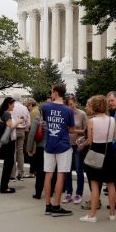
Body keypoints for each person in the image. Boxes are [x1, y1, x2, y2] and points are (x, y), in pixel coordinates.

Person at [42, 83, 79, 217]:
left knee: (48, 174)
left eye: (51, 91)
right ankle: (57, 206)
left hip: (49, 145)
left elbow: (47, 122)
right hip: (63, 145)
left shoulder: (45, 108)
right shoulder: (68, 110)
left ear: (56, 92)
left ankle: (48, 205)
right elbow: (71, 130)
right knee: (61, 175)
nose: (51, 93)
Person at [79, 95, 116, 223]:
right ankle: (112, 214)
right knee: (111, 184)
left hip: (96, 153)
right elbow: (114, 137)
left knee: (95, 184)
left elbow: (90, 141)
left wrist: (82, 144)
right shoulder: (112, 120)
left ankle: (92, 215)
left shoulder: (92, 121)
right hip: (110, 153)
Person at [63, 95, 87, 205]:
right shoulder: (65, 114)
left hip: (78, 145)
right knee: (67, 169)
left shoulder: (82, 114)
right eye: (68, 105)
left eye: (71, 104)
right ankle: (68, 192)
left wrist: (74, 131)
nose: (70, 107)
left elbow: (86, 131)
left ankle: (79, 193)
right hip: (67, 145)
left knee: (78, 169)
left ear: (75, 103)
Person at [0, 97, 25, 193]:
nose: (14, 106)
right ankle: (4, 187)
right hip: (9, 143)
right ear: (9, 104)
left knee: (8, 164)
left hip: (9, 142)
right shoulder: (7, 114)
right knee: (8, 165)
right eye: (13, 104)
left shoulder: (5, 114)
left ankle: (5, 186)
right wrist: (18, 122)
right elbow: (10, 128)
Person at [11, 94, 30, 181]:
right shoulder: (24, 108)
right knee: (20, 151)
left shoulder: (12, 107)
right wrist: (25, 127)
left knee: (13, 152)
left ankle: (12, 174)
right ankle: (20, 173)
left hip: (13, 130)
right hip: (22, 131)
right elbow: (28, 122)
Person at [24, 97, 40, 178]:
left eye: (26, 104)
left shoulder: (34, 112)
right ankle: (34, 171)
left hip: (33, 137)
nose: (26, 106)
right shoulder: (36, 110)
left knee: (32, 154)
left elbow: (32, 127)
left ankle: (32, 172)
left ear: (30, 104)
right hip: (35, 137)